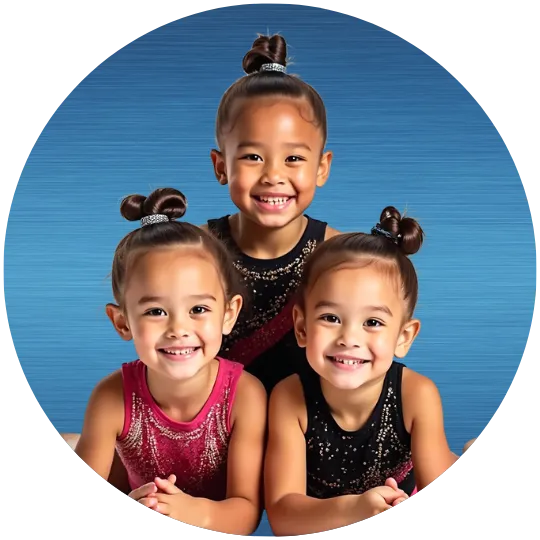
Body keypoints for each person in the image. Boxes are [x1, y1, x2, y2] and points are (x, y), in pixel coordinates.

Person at [74, 188, 267, 535]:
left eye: (198, 310)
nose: (179, 329)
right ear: (122, 322)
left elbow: (246, 515)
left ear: (228, 314)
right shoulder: (110, 398)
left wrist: (190, 511)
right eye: (155, 311)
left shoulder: (245, 396)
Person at [264, 207, 459, 535]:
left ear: (403, 337)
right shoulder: (289, 397)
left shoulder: (416, 395)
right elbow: (283, 517)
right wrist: (356, 507)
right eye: (330, 318)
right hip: (320, 523)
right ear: (301, 327)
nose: (349, 339)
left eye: (373, 322)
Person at [202, 33, 340, 394]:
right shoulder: (193, 250)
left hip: (307, 431)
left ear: (322, 168)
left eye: (293, 158)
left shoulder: (340, 255)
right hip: (215, 431)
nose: (274, 176)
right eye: (252, 157)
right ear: (221, 166)